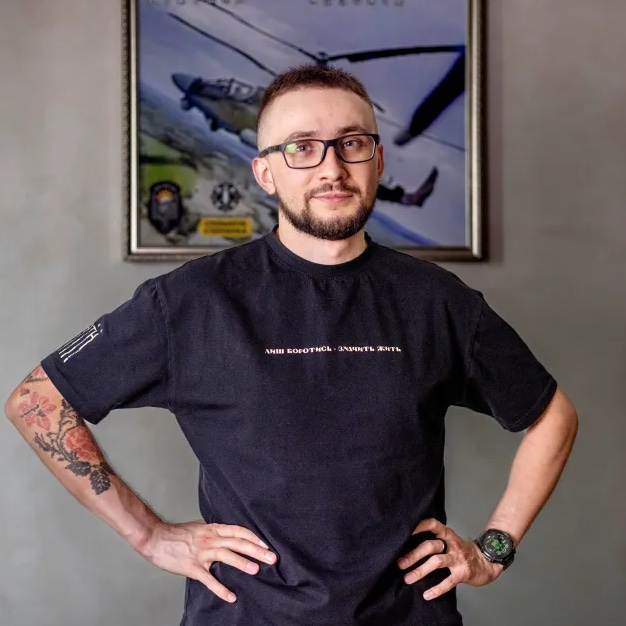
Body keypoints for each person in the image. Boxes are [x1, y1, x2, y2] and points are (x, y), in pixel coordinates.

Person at [5, 64, 578, 626]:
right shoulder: (190, 301)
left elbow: (553, 415)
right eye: (302, 147)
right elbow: (37, 401)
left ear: (378, 160)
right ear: (265, 172)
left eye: (352, 143)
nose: (332, 167)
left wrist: (493, 549)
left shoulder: (438, 300)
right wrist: (150, 535)